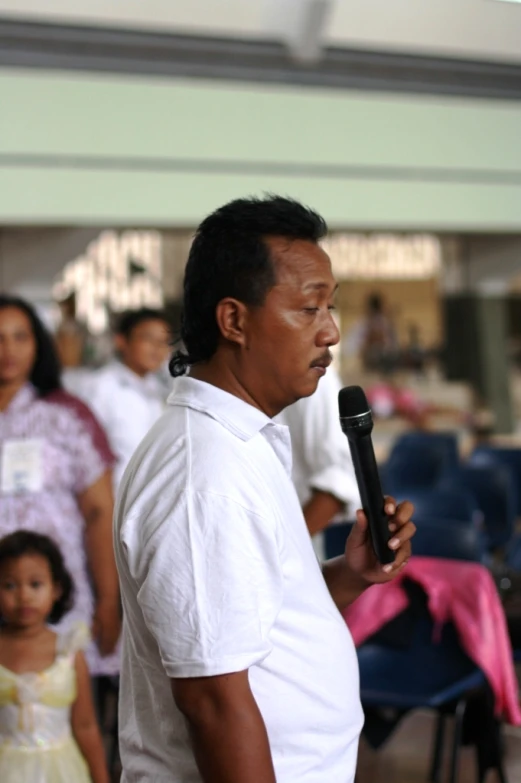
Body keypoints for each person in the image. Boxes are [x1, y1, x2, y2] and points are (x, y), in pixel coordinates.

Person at [114, 196, 415, 783]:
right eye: (308, 308)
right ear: (234, 321)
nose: (330, 332)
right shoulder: (204, 474)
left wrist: (348, 573)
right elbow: (213, 702)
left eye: (331, 306)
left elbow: (258, 620)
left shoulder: (245, 440)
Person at [0, 295, 120, 676]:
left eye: (21, 337)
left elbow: (100, 512)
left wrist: (108, 600)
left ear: (38, 344)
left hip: (56, 596)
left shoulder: (68, 416)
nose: (9, 350)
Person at [0, 530, 109, 783]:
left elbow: (86, 726)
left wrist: (102, 778)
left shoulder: (68, 652)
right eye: (9, 585)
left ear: (56, 589)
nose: (24, 596)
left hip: (62, 772)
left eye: (35, 584)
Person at [276, 364, 360, 552]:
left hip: (287, 557)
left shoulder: (313, 376)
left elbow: (338, 480)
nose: (331, 336)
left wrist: (284, 553)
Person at [87, 308, 171, 489]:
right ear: (121, 341)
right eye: (148, 339)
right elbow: (88, 453)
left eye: (163, 342)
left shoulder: (160, 390)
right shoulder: (102, 388)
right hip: (117, 497)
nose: (157, 348)